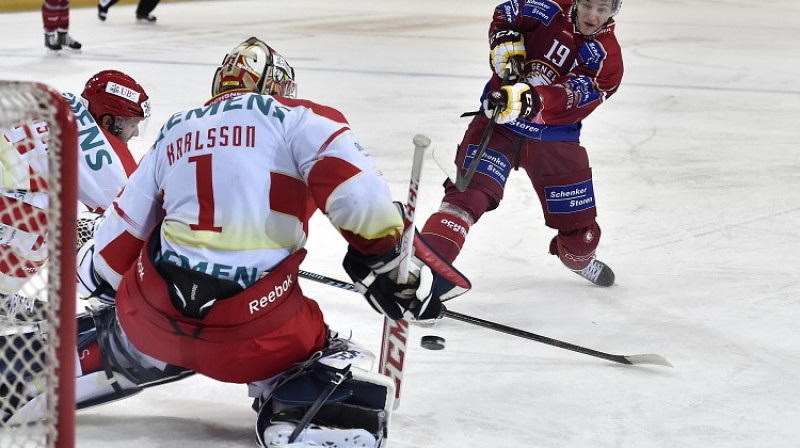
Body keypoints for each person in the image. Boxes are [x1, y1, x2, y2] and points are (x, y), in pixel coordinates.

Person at [3, 37, 469, 447]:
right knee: (323, 349)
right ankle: (308, 407)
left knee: (147, 313)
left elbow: (102, 269)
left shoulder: (174, 130)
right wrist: (392, 265)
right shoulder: (302, 120)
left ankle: (89, 352)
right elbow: (360, 200)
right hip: (256, 331)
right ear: (275, 86)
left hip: (150, 318)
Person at [420, 0, 623, 287]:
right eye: (588, 4)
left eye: (602, 9)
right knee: (466, 197)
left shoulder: (607, 58)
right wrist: (502, 38)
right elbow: (506, 12)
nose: (592, 15)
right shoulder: (547, 7)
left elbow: (573, 94)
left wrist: (530, 99)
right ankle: (424, 275)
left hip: (552, 141)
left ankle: (577, 259)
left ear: (614, 11)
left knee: (581, 236)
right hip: (499, 123)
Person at [0, 70, 149, 319]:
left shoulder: (63, 101)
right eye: (133, 124)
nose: (135, 133)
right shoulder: (110, 162)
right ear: (111, 120)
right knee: (52, 223)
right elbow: (128, 224)